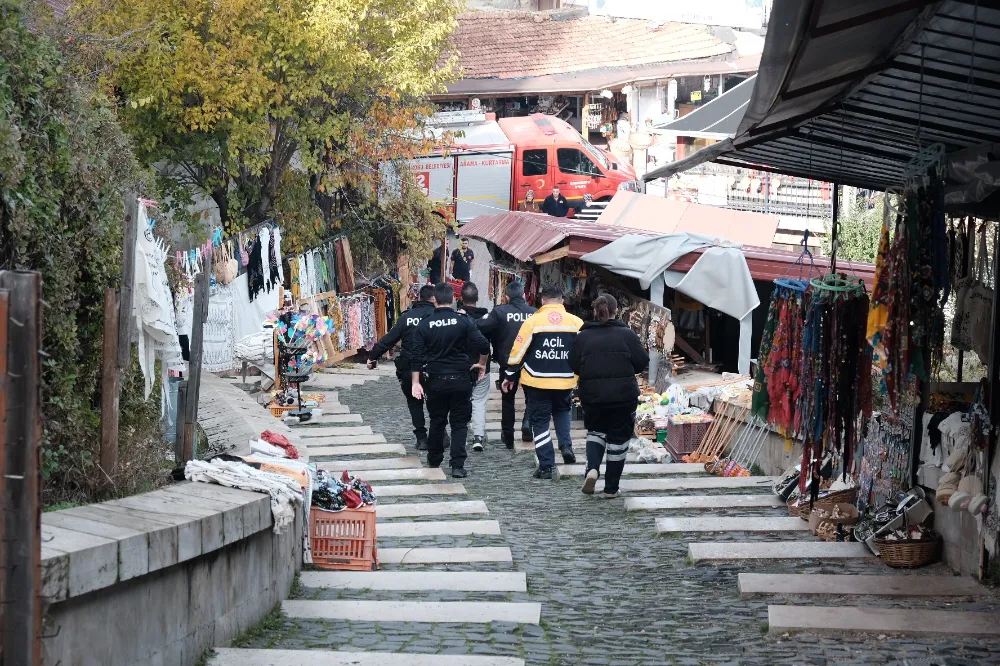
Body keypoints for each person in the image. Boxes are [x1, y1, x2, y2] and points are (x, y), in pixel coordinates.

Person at [569, 294, 649, 498]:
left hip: (592, 397)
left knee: (596, 432)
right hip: (623, 397)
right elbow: (642, 362)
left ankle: (593, 469)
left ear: (594, 312)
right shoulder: (627, 335)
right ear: (617, 311)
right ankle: (611, 488)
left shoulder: (583, 336)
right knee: (618, 440)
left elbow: (573, 365)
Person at [411, 282, 491, 478]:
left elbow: (416, 355)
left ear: (434, 300)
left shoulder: (425, 323)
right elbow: (483, 345)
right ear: (454, 299)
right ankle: (457, 466)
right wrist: (481, 364)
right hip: (460, 380)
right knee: (459, 424)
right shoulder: (463, 321)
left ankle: (434, 459)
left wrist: (415, 382)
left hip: (436, 380)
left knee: (437, 421)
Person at [503, 284, 583, 478]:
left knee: (539, 421)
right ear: (562, 300)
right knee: (562, 411)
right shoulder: (576, 322)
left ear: (542, 300)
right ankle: (566, 447)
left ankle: (546, 466)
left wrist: (510, 374)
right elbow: (583, 352)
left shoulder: (533, 322)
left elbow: (517, 351)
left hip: (537, 380)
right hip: (565, 379)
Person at [366, 284, 436, 450]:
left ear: (419, 298)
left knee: (414, 403)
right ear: (435, 299)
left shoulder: (407, 317)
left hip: (409, 368)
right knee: (436, 403)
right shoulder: (438, 316)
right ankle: (440, 434)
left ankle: (421, 438)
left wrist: (372, 356)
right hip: (434, 367)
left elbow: (389, 339)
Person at [478, 280, 536, 449]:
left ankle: (508, 436)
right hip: (530, 364)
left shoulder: (499, 312)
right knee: (531, 397)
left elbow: (480, 326)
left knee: (508, 400)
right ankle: (527, 423)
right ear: (524, 296)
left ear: (506, 296)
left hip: (508, 362)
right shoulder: (534, 313)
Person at [457, 282, 491, 452]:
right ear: (477, 299)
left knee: (461, 401)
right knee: (479, 402)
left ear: (461, 298)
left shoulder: (457, 317)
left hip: (461, 365)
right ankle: (478, 436)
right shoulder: (488, 318)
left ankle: (461, 435)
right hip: (482, 366)